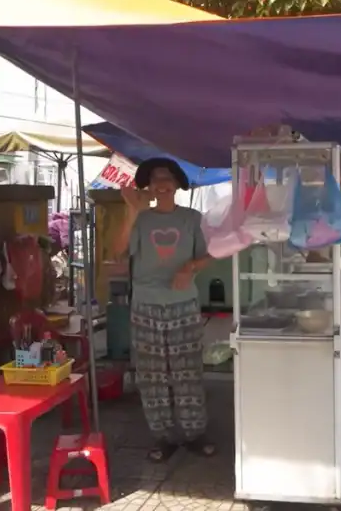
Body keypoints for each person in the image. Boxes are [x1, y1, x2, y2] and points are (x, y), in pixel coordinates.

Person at [113, 157, 215, 462]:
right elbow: (117, 251)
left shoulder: (192, 219)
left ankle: (195, 434)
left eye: (168, 177)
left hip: (183, 305)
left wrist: (190, 267)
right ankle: (164, 437)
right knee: (151, 375)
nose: (162, 183)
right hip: (145, 306)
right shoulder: (140, 219)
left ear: (177, 183)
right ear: (149, 185)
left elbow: (209, 254)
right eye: (156, 178)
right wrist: (132, 211)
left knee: (188, 371)